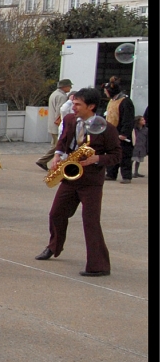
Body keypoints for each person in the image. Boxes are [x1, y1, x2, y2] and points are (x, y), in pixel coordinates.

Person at [34, 87, 120, 277]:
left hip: (91, 181)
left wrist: (96, 159)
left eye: (77, 104)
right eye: (73, 103)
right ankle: (53, 247)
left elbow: (116, 155)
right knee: (56, 213)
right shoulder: (70, 120)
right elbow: (64, 141)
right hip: (70, 176)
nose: (73, 107)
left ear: (91, 106)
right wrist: (57, 156)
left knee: (90, 221)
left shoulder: (108, 128)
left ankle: (99, 265)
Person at [36, 79, 73, 171]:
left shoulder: (54, 94)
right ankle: (42, 161)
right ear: (64, 87)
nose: (70, 88)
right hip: (57, 124)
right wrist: (62, 124)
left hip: (52, 123)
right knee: (58, 146)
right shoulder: (62, 96)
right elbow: (60, 111)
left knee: (55, 145)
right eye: (69, 86)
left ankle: (44, 161)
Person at [103, 78, 135, 183]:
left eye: (106, 91)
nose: (105, 93)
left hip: (121, 133)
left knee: (124, 155)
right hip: (112, 132)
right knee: (112, 153)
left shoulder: (125, 101)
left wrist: (124, 133)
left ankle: (126, 176)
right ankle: (111, 173)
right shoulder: (113, 101)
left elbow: (128, 119)